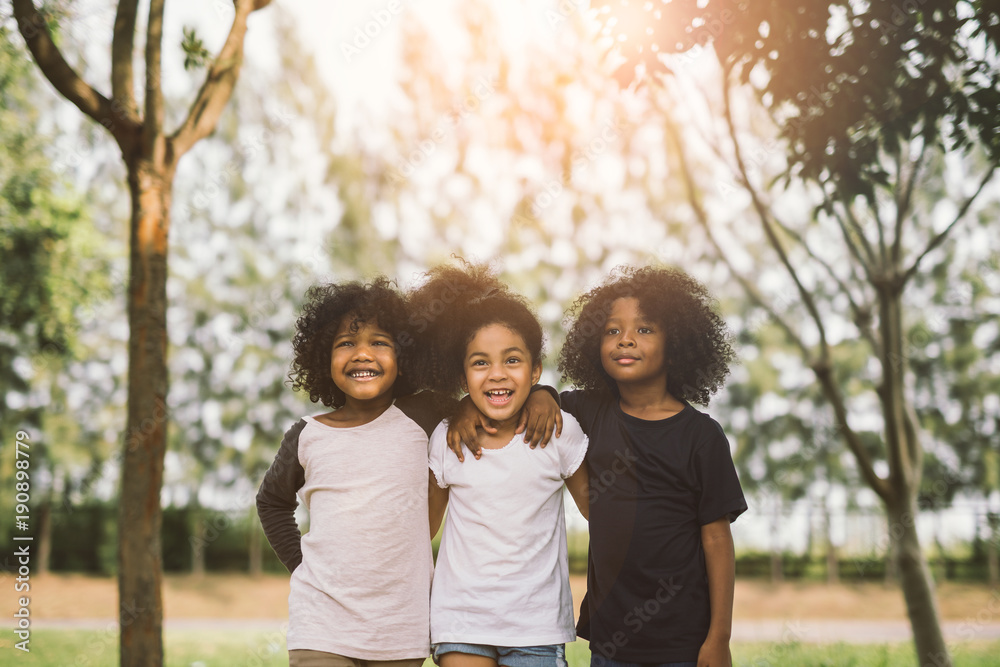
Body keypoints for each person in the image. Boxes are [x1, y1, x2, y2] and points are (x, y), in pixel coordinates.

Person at [255, 277, 561, 667]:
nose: (362, 354)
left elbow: (489, 399)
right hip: (321, 622)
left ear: (405, 357)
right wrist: (303, 565)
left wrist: (542, 393)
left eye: (380, 343)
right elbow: (271, 502)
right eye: (346, 343)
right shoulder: (306, 435)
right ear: (321, 357)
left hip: (400, 626)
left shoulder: (424, 414)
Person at [450, 266, 747, 667]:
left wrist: (719, 637)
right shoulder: (588, 412)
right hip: (610, 640)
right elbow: (519, 396)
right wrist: (531, 396)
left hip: (684, 639)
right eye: (611, 331)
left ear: (675, 343)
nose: (625, 339)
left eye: (644, 329)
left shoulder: (701, 436)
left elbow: (717, 541)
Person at [410, 264, 590, 667]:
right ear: (463, 376)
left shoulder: (559, 432)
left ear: (536, 371)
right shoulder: (446, 437)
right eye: (480, 363)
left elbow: (601, 512)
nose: (497, 374)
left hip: (536, 626)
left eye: (512, 360)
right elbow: (423, 528)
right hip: (461, 622)